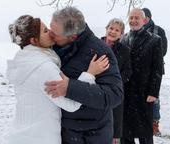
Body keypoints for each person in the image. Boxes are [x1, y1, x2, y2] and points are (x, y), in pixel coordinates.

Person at [5, 15, 110, 144]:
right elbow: (71, 105)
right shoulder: (43, 68)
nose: (50, 32)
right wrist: (90, 74)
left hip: (24, 133)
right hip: (41, 137)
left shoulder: (24, 61)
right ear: (34, 40)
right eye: (45, 31)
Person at [44, 7, 124, 144]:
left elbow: (115, 94)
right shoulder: (51, 47)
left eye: (54, 33)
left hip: (92, 134)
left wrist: (71, 88)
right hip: (62, 130)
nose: (49, 34)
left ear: (73, 36)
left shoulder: (100, 52)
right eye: (50, 28)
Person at [120, 8, 163, 144]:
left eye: (136, 18)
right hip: (126, 92)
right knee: (126, 131)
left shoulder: (154, 40)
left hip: (144, 92)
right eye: (131, 18)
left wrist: (153, 92)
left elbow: (157, 68)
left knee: (144, 132)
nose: (133, 21)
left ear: (144, 20)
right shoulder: (124, 38)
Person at [101, 18, 132, 144]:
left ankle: (115, 135)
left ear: (121, 34)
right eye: (111, 28)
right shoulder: (95, 44)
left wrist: (116, 81)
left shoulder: (124, 50)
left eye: (117, 30)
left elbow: (128, 71)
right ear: (106, 29)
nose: (113, 32)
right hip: (95, 89)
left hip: (115, 91)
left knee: (115, 117)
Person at [142, 7, 168, 136]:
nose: (143, 19)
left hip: (155, 70)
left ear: (149, 17)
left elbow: (163, 51)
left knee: (154, 97)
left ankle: (154, 124)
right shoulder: (136, 30)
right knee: (139, 96)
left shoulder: (159, 31)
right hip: (138, 70)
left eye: (145, 17)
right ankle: (142, 123)